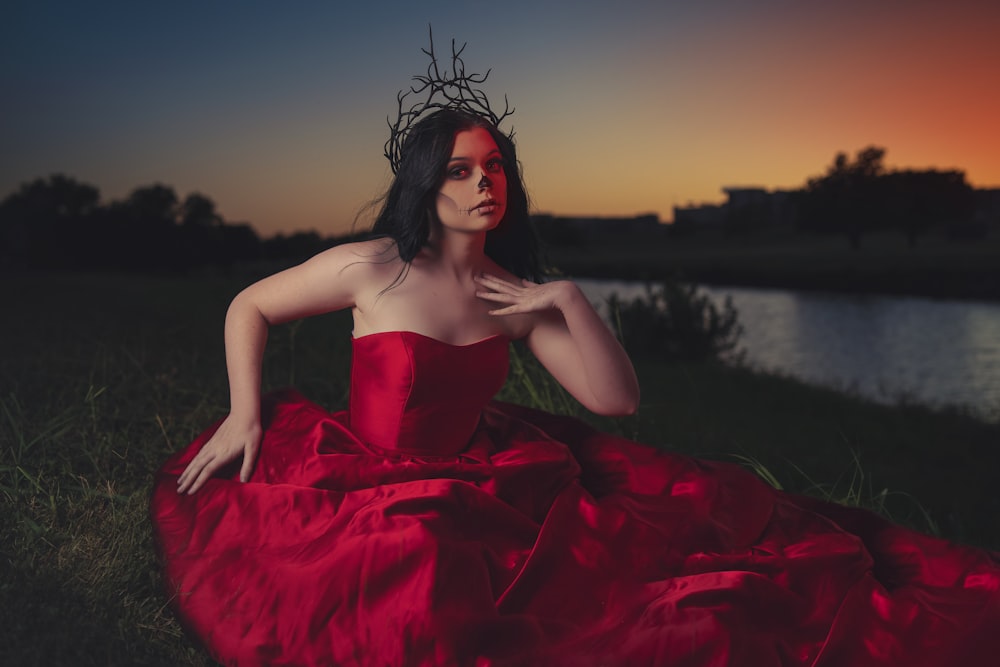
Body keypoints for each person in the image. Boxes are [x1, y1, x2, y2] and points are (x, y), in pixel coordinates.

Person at [151, 42, 1000, 667]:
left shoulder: (514, 293)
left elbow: (614, 399)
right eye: (459, 171)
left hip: (483, 472)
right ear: (425, 185)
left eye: (494, 168)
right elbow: (249, 303)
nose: (484, 183)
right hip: (368, 474)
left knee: (708, 579)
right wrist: (244, 409)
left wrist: (565, 300)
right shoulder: (371, 266)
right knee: (424, 593)